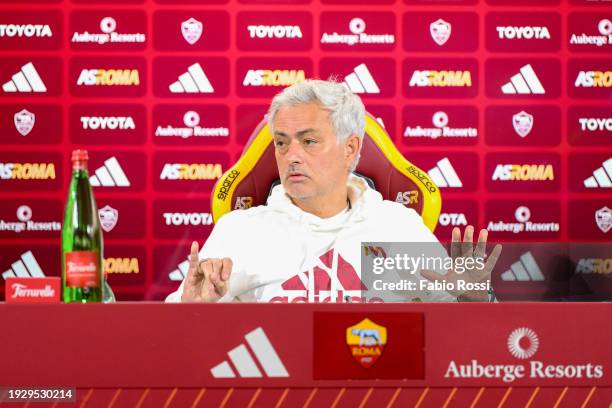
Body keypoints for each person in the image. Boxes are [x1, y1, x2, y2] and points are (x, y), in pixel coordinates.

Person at [165, 79, 501, 303]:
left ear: (350, 149)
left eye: (309, 141)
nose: (291, 155)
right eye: (282, 143)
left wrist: (473, 297)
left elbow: (457, 337)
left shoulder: (396, 226)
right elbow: (177, 339)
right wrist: (192, 308)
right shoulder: (241, 230)